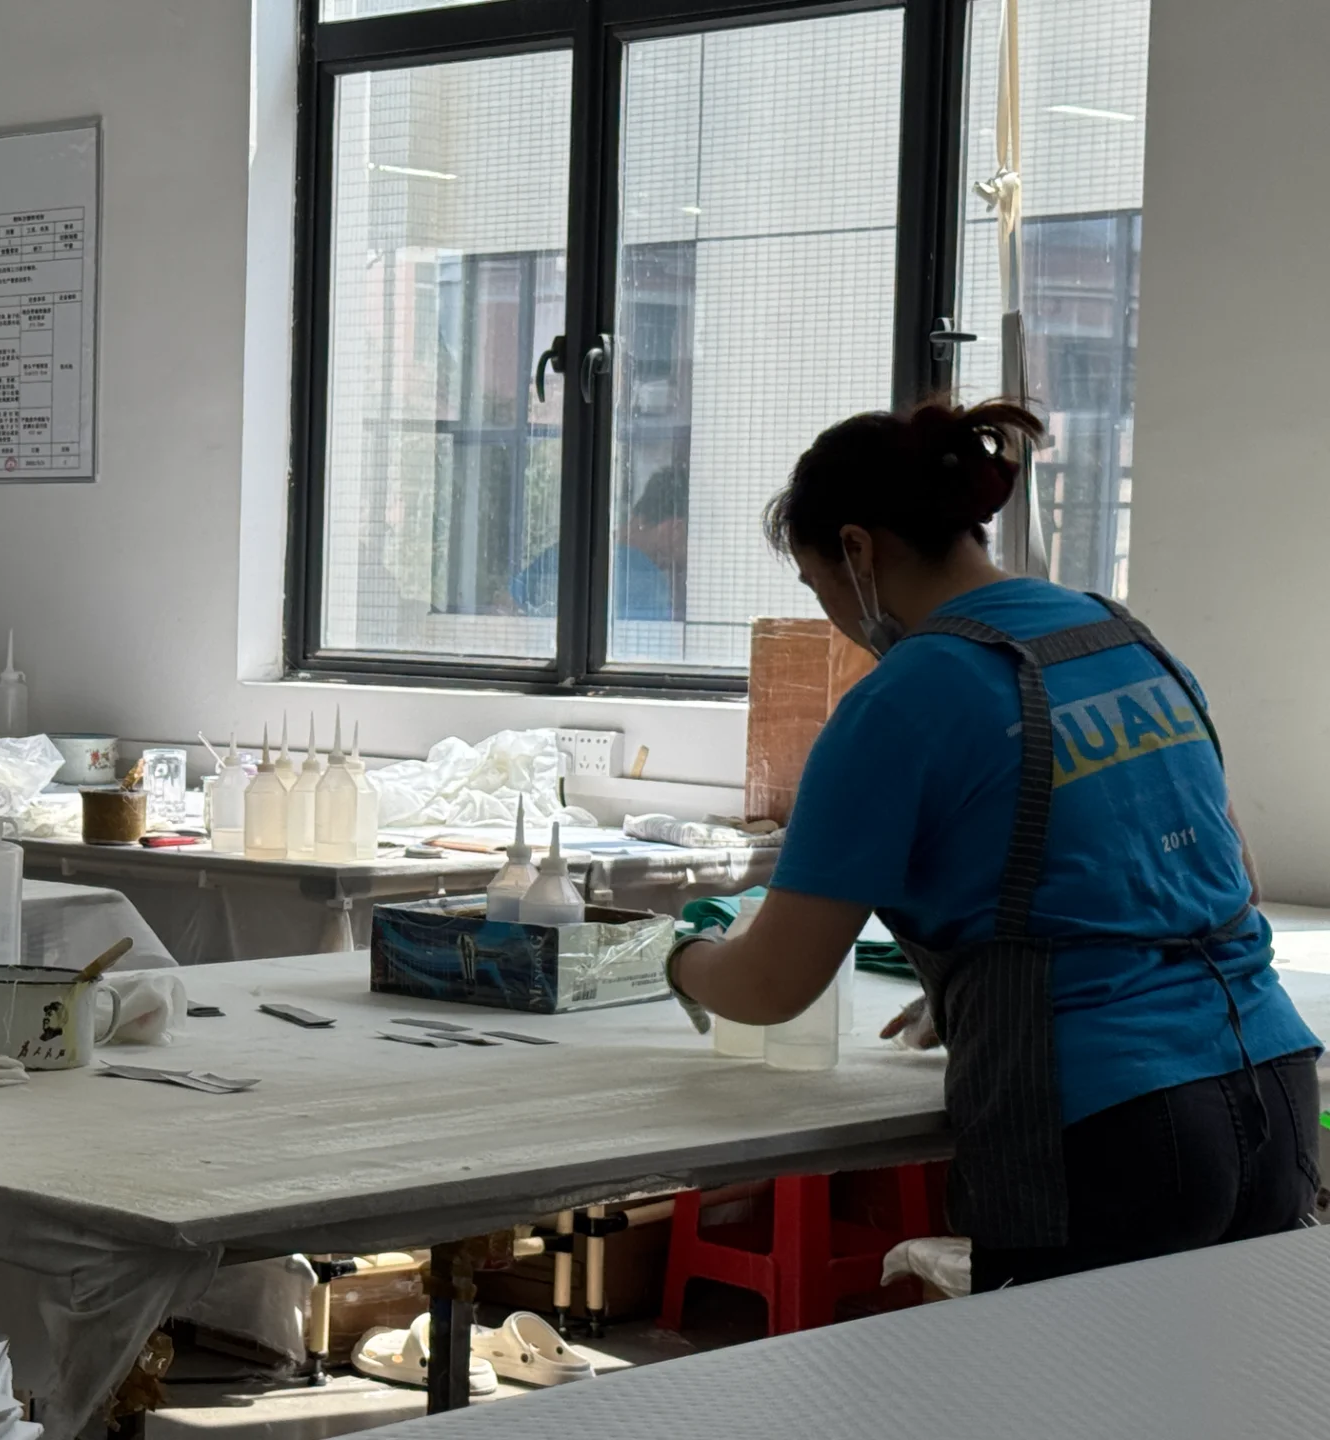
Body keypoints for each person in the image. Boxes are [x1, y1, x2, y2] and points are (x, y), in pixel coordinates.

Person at [666, 397, 1320, 1290]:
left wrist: (688, 958)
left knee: (1064, 1411)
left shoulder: (902, 701)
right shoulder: (1121, 637)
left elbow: (772, 984)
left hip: (1110, 1130)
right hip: (1273, 1088)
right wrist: (992, 983)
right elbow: (1221, 875)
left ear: (858, 550)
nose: (836, 617)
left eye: (820, 586)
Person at [512, 466, 686, 620]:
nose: (668, 569)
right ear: (675, 528)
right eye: (676, 565)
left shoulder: (569, 552)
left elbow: (506, 603)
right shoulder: (648, 580)